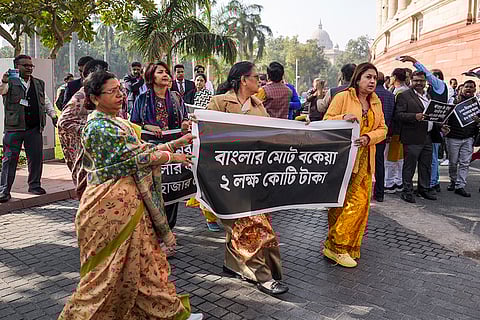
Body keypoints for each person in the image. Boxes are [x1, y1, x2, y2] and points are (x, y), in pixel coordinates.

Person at [58, 70, 203, 320]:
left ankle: (167, 312)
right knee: (107, 272)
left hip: (132, 203)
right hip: (109, 206)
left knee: (147, 263)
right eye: (112, 91)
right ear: (94, 98)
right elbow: (136, 159)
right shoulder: (97, 127)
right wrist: (172, 155)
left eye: (120, 90)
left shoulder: (119, 121)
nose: (120, 95)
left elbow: (142, 149)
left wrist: (176, 142)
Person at [206, 61, 288, 295]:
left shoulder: (259, 107)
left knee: (244, 225)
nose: (260, 80)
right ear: (243, 80)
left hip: (252, 178)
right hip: (226, 179)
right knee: (249, 228)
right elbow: (207, 134)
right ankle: (263, 276)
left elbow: (268, 138)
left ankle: (232, 264)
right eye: (256, 77)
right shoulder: (219, 103)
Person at [322, 63, 387, 267]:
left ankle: (345, 246)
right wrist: (343, 118)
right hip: (343, 159)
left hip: (365, 160)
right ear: (358, 79)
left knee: (359, 204)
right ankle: (336, 247)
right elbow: (326, 120)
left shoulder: (376, 102)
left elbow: (383, 128)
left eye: (374, 78)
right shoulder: (342, 97)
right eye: (368, 77)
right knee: (338, 204)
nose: (372, 81)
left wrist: (369, 137)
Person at [130, 61, 190, 230]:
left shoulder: (176, 97)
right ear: (151, 77)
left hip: (175, 151)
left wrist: (185, 124)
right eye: (160, 72)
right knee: (155, 190)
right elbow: (134, 124)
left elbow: (184, 117)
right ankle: (154, 229)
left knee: (173, 188)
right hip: (153, 152)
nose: (165, 75)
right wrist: (148, 126)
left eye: (166, 72)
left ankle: (169, 227)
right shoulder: (142, 99)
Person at [0, 55, 59, 203]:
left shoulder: (38, 83)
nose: (29, 68)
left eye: (31, 66)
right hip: (14, 128)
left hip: (34, 127)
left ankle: (34, 185)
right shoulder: (10, 82)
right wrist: (4, 80)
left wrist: (53, 115)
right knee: (9, 159)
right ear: (16, 66)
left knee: (36, 158)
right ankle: (4, 190)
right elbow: (2, 91)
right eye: (25, 65)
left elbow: (45, 101)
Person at [57, 59, 110, 198]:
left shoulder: (109, 93)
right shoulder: (82, 96)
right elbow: (64, 121)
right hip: (89, 152)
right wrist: (92, 128)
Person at [399, 56, 450, 193]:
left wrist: (440, 126)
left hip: (428, 136)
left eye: (421, 81)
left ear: (425, 82)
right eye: (416, 81)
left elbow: (431, 117)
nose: (419, 83)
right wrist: (414, 117)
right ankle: (407, 191)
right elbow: (399, 115)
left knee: (426, 165)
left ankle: (424, 189)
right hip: (412, 137)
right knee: (409, 167)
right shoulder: (405, 96)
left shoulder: (429, 96)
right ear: (411, 81)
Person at [445, 80, 478, 197]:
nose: (469, 89)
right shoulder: (454, 101)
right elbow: (445, 116)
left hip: (468, 138)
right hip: (453, 137)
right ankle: (453, 181)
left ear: (474, 89)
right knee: (453, 162)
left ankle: (460, 186)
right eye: (467, 87)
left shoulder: (477, 103)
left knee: (465, 163)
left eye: (471, 87)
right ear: (462, 88)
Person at [384, 68, 409, 194]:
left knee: (391, 157)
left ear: (394, 77)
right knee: (399, 158)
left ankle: (389, 183)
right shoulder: (408, 91)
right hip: (404, 130)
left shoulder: (399, 92)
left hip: (396, 130)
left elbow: (395, 114)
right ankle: (399, 181)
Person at [373, 72, 395, 202]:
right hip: (382, 134)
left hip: (368, 134)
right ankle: (380, 193)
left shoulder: (370, 95)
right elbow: (393, 117)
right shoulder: (390, 96)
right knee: (379, 162)